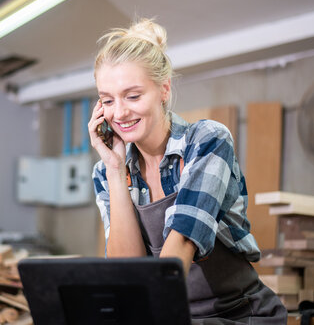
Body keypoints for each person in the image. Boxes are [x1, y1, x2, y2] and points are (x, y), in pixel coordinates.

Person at [88, 18, 287, 324]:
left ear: (164, 89)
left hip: (237, 315)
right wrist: (115, 170)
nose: (119, 113)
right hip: (171, 315)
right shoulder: (106, 172)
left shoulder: (206, 141)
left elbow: (181, 242)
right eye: (107, 100)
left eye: (133, 96)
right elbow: (127, 272)